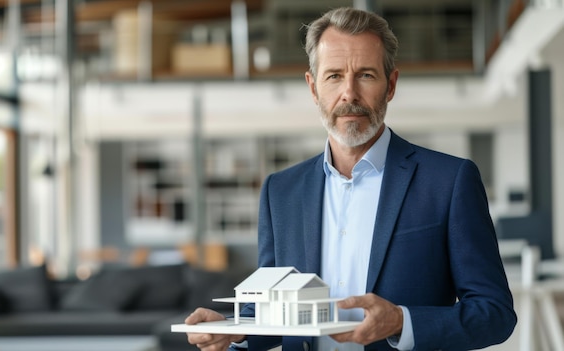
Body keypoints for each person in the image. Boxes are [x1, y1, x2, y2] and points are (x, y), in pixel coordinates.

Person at [185, 7, 516, 351]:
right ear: (313, 88)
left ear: (391, 85)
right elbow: (275, 307)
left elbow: (494, 314)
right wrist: (234, 327)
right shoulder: (280, 192)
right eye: (334, 76)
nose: (349, 94)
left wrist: (401, 322)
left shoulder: (449, 181)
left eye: (366, 75)